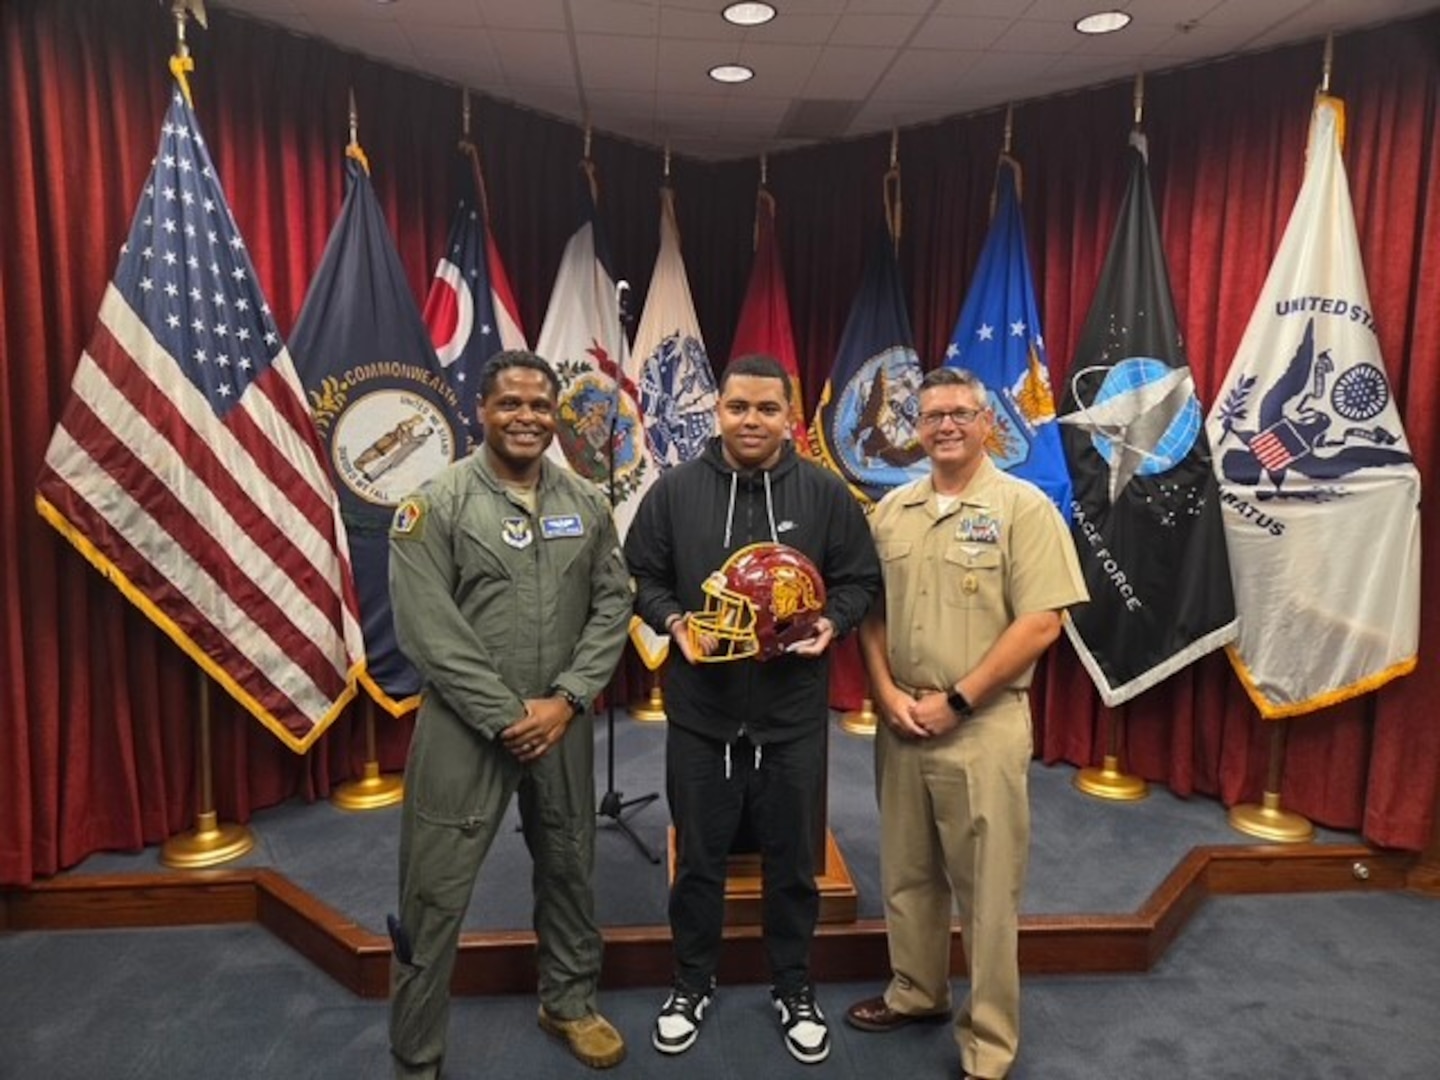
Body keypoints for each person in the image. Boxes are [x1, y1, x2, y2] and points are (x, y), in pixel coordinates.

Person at [624, 353, 882, 1065]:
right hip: (701, 714)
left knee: (792, 864)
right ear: (718, 410)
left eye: (767, 408)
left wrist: (833, 621)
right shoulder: (675, 491)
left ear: (789, 415)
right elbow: (641, 575)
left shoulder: (826, 495)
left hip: (791, 716)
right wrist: (674, 621)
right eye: (738, 407)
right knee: (698, 861)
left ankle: (793, 986)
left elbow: (859, 580)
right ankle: (691, 982)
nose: (751, 420)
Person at [387, 350, 632, 1078]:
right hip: (465, 728)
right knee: (433, 891)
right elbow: (427, 630)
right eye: (510, 404)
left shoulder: (586, 503)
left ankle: (569, 1002)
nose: (526, 417)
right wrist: (505, 716)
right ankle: (416, 1052)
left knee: (570, 865)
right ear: (482, 411)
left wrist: (568, 699)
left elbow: (612, 606)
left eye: (539, 405)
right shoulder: (436, 504)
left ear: (556, 416)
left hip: (561, 720)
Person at [844, 367, 1088, 1080]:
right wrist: (884, 692)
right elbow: (870, 614)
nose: (945, 425)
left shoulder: (1023, 508)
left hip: (980, 725)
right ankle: (916, 991)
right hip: (902, 719)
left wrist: (956, 701)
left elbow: (1041, 623)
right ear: (916, 429)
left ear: (988, 424)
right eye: (931, 416)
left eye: (959, 413)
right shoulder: (892, 511)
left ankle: (987, 1045)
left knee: (986, 893)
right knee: (908, 872)